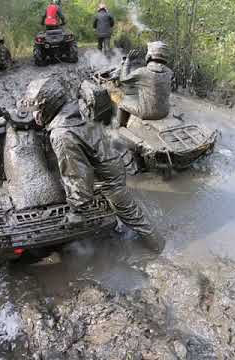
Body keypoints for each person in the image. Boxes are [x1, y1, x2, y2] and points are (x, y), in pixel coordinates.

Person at [19, 78, 165, 252]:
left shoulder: (61, 134)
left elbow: (75, 174)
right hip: (108, 159)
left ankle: (160, 249)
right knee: (124, 207)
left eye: (36, 110)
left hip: (108, 177)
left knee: (134, 217)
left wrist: (77, 210)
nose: (35, 116)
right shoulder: (73, 108)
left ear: (47, 106)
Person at [117, 41, 173, 127]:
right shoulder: (170, 72)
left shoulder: (142, 72)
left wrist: (127, 61)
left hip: (147, 113)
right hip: (165, 112)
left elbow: (123, 79)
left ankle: (122, 127)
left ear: (149, 55)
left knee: (122, 103)